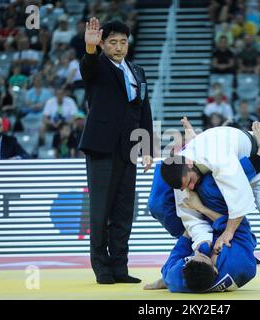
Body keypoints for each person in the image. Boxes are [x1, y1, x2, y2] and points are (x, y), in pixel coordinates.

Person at [160, 122, 260, 292]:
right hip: (230, 168)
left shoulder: (215, 156)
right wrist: (202, 242)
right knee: (199, 195)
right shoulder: (182, 181)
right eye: (184, 187)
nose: (190, 188)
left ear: (189, 163)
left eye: (189, 181)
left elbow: (240, 198)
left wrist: (227, 232)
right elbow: (191, 219)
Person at [79, 18, 153, 285]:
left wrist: (146, 148)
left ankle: (120, 267)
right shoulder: (97, 66)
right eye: (113, 42)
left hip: (129, 149)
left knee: (123, 211)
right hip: (101, 147)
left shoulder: (138, 71)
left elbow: (144, 110)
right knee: (100, 211)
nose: (119, 47)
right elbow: (86, 69)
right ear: (102, 43)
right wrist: (89, 49)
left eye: (123, 42)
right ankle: (102, 267)